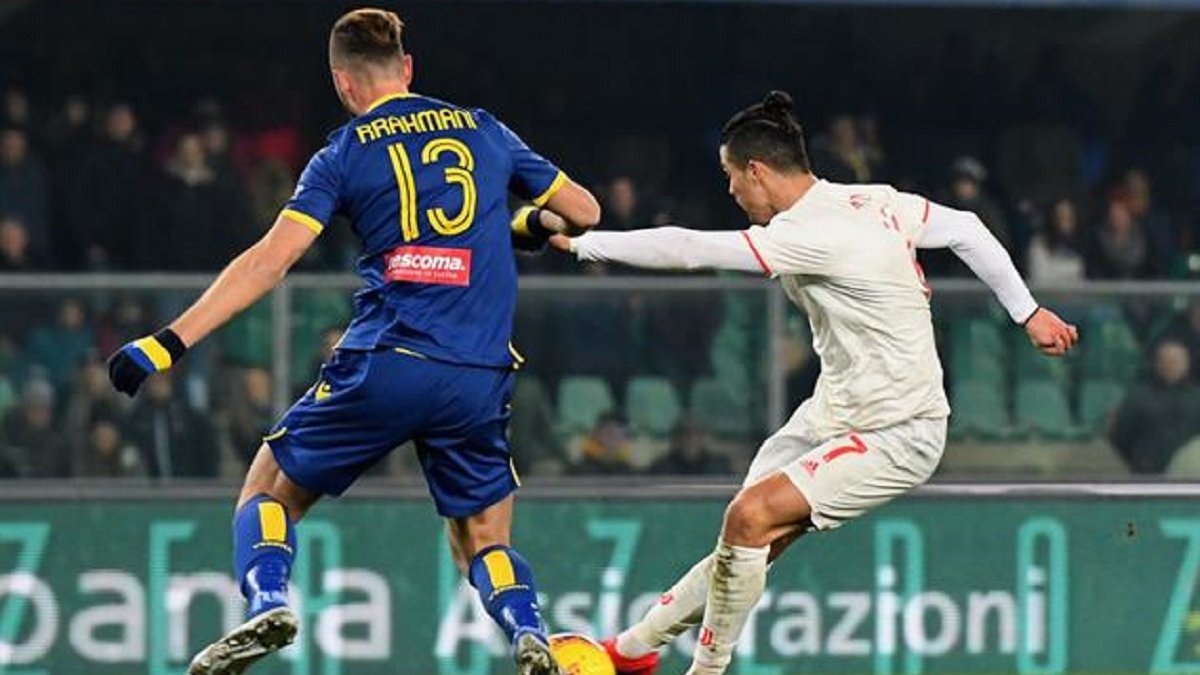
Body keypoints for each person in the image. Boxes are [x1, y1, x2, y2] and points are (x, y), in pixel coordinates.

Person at [104, 8, 600, 675]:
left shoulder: (343, 153)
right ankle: (529, 631)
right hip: (478, 374)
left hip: (389, 359)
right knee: (483, 539)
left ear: (342, 83)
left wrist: (168, 341)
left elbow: (271, 261)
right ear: (408, 68)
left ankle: (268, 601)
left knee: (267, 490)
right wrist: (524, 223)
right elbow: (585, 212)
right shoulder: (483, 128)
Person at [549, 91, 1077, 675]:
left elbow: (688, 247)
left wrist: (583, 244)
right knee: (745, 542)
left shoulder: (807, 232)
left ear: (756, 170)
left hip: (899, 429)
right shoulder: (872, 200)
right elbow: (967, 228)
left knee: (749, 521)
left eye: (731, 176)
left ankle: (700, 668)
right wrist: (1028, 313)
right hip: (834, 412)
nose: (731, 191)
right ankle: (633, 651)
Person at [1109, 340, 1200, 473]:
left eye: (1177, 361)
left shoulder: (1197, 397)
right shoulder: (1138, 398)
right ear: (1158, 364)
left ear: (1187, 364)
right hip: (1149, 472)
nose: (1172, 365)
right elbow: (1121, 436)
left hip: (1189, 472)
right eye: (1168, 361)